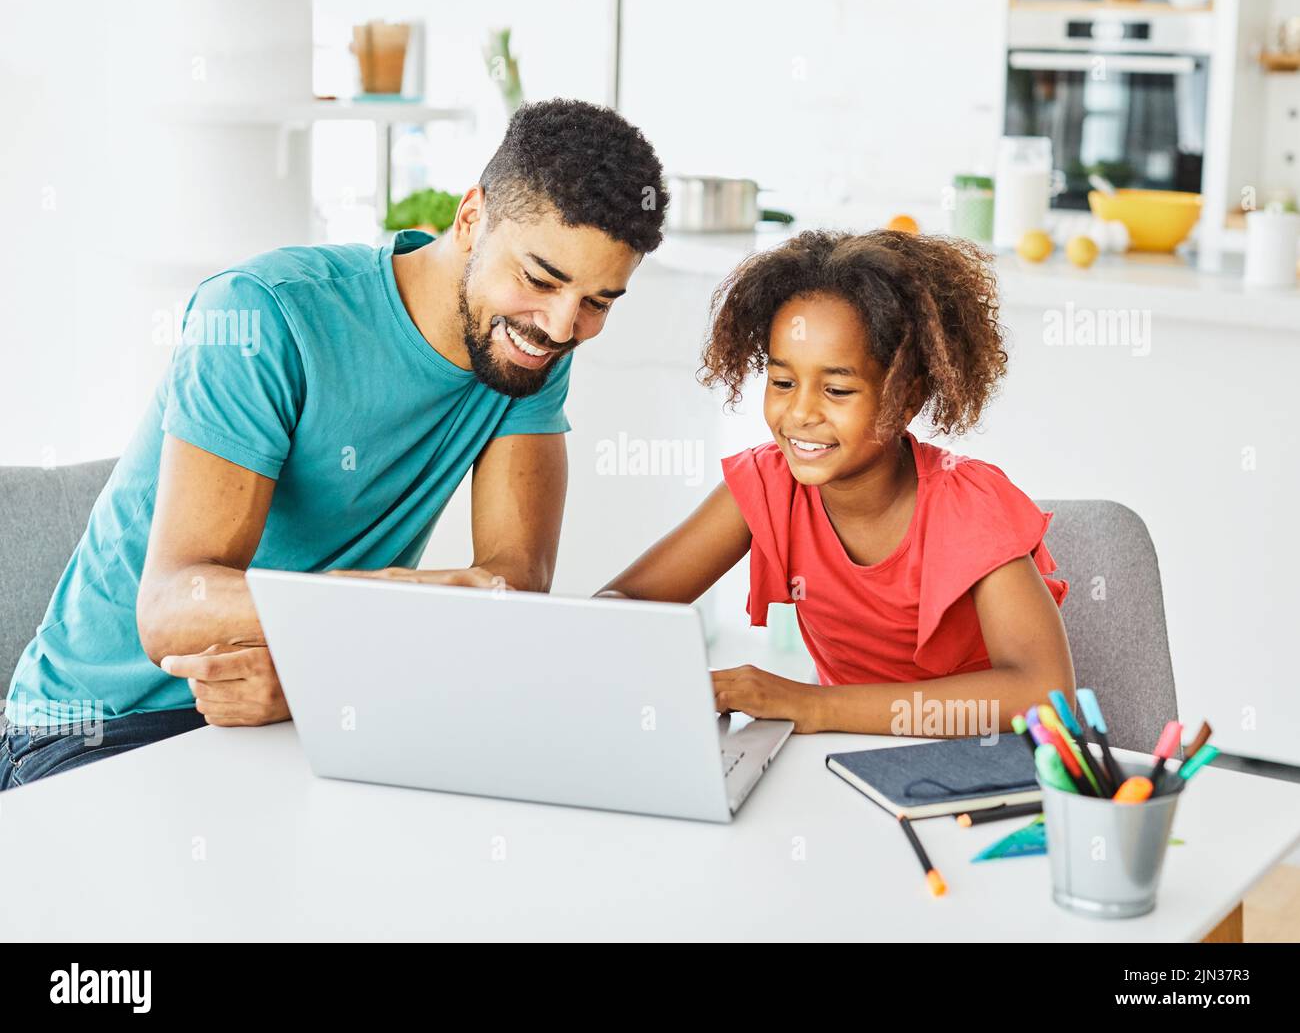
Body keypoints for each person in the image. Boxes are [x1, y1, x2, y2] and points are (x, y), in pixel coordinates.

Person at [0, 99, 668, 788]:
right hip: (95, 733)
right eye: (540, 279)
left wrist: (314, 672)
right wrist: (388, 609)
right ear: (471, 219)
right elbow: (173, 609)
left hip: (298, 716)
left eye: (599, 302)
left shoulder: (526, 350)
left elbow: (512, 588)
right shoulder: (264, 312)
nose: (562, 325)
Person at [599, 229, 1073, 735]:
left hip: (979, 763)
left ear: (905, 399)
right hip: (845, 760)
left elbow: (1042, 695)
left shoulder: (967, 507)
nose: (801, 413)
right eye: (782, 382)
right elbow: (628, 603)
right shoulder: (769, 484)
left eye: (838, 389)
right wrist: (602, 625)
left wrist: (816, 706)